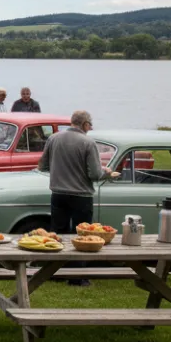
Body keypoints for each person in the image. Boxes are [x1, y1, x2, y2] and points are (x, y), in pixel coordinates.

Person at [37, 109, 119, 286]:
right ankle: (77, 276)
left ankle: (54, 271)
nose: (90, 128)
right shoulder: (88, 142)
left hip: (58, 193)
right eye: (90, 125)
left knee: (57, 232)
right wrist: (107, 172)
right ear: (85, 124)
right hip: (81, 195)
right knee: (82, 236)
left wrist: (60, 169)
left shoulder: (53, 138)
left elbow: (42, 166)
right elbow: (95, 174)